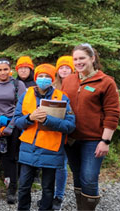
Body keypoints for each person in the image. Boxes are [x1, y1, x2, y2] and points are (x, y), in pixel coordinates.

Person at [62, 43, 120, 210]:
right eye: (75, 59)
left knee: (89, 177)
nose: (78, 62)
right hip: (71, 138)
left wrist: (105, 141)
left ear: (92, 58)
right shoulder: (69, 80)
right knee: (78, 176)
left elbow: (112, 113)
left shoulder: (106, 82)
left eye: (82, 58)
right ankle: (82, 207)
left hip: (94, 140)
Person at [14, 63, 75, 211]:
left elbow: (70, 125)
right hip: (29, 148)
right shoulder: (26, 95)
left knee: (48, 188)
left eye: (47, 76)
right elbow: (17, 121)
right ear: (35, 78)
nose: (43, 79)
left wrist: (48, 120)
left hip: (51, 148)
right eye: (40, 76)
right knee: (23, 187)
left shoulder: (61, 97)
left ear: (52, 79)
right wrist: (30, 117)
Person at [0, 58, 26, 204]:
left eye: (5, 69)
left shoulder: (17, 84)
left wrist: (10, 127)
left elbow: (20, 107)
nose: (2, 72)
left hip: (11, 126)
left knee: (11, 158)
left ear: (10, 70)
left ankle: (11, 190)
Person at [52, 55, 75, 210]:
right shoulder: (53, 86)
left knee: (63, 164)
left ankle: (59, 195)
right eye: (62, 67)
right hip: (55, 130)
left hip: (71, 130)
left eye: (67, 67)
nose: (64, 70)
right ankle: (52, 194)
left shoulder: (76, 84)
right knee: (55, 164)